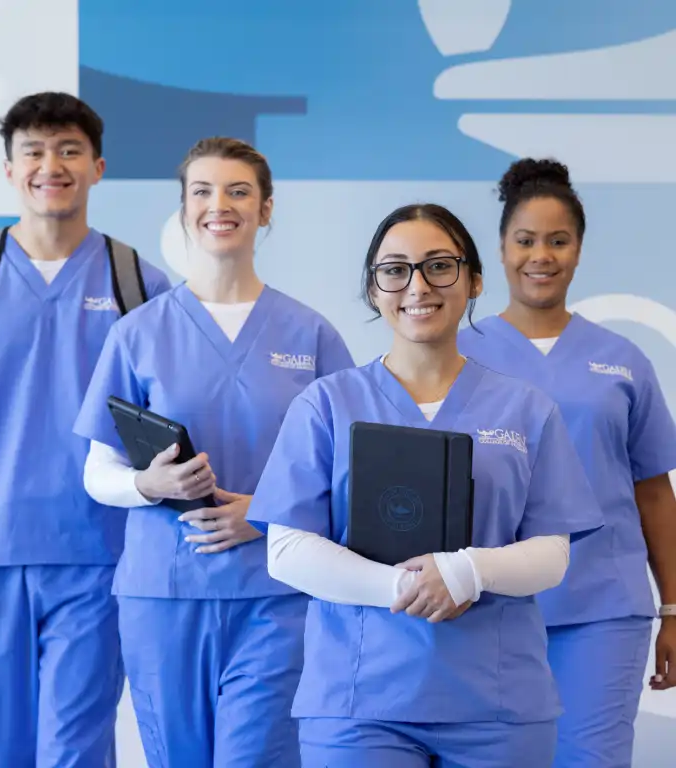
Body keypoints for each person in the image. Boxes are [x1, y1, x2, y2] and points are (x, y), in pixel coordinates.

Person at [247, 203, 605, 768]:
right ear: (373, 290)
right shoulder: (326, 405)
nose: (418, 285)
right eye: (395, 270)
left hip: (498, 706)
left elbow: (552, 554)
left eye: (440, 266)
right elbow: (287, 550)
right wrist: (405, 589)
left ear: (474, 280)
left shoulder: (527, 409)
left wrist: (467, 573)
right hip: (359, 703)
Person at [0, 92, 172, 768]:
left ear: (98, 166)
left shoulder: (137, 282)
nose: (50, 165)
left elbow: (171, 421)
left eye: (68, 150)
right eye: (33, 151)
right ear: (9, 169)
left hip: (99, 554)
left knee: (76, 753)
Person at [73, 136, 354, 768]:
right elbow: (98, 471)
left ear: (266, 208)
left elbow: (349, 475)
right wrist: (151, 486)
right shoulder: (138, 333)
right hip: (162, 596)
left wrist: (264, 510)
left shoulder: (310, 334)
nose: (218, 204)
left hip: (276, 594)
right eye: (201, 191)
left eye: (238, 191)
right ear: (183, 210)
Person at [458, 158, 676, 767]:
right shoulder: (458, 355)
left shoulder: (623, 361)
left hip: (602, 610)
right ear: (499, 250)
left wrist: (675, 609)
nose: (541, 255)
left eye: (559, 240)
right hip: (486, 610)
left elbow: (654, 493)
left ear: (579, 250)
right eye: (525, 240)